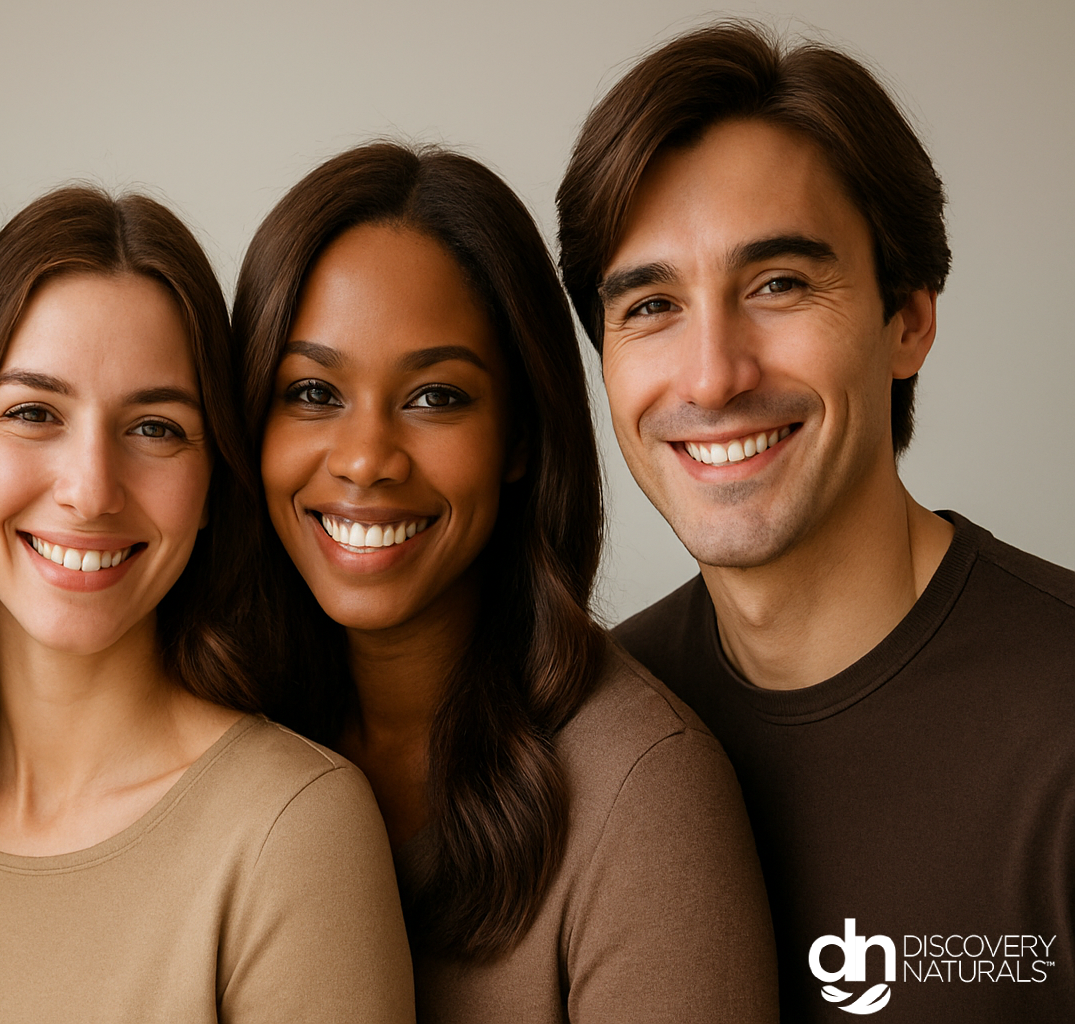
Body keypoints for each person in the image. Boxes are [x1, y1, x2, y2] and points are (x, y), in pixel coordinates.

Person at [556, 20, 1075, 1022]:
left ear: (908, 318)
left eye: (779, 284)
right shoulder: (591, 740)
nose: (713, 374)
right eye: (652, 305)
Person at [232, 141, 778, 1023]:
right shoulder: (218, 736)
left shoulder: (643, 795)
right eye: (312, 392)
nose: (366, 459)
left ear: (522, 436)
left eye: (437, 397)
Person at [0, 186, 414, 1022]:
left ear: (214, 485)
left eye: (154, 428)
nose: (90, 490)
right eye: (34, 412)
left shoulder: (291, 832)